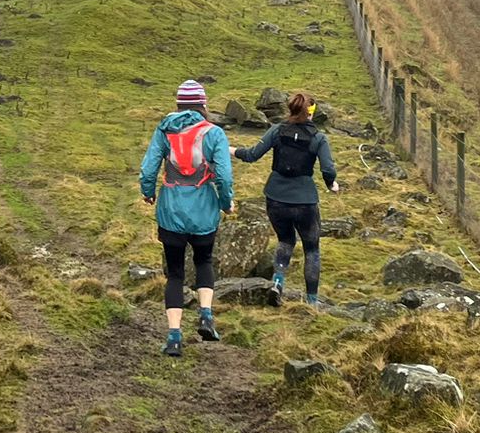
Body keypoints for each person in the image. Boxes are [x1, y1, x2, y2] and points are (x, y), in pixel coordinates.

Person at [138, 79, 234, 357]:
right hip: (204, 210)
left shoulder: (164, 129)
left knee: (175, 273)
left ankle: (174, 338)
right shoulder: (214, 133)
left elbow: (148, 169)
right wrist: (226, 203)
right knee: (204, 260)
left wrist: (148, 193)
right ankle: (206, 315)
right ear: (203, 104)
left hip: (171, 211)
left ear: (178, 104)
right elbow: (224, 177)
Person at [235, 90, 337, 306]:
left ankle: (278, 283)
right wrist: (332, 184)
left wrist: (231, 150)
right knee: (312, 248)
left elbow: (253, 154)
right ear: (311, 113)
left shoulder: (277, 131)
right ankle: (311, 301)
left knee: (285, 240)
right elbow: (328, 169)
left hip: (276, 198)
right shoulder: (319, 138)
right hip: (305, 201)